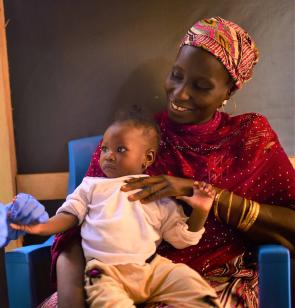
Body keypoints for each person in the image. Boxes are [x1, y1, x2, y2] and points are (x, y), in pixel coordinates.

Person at [43, 17, 295, 308]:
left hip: (212, 280)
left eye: (201, 86)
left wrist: (196, 192)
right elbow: (74, 231)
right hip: (112, 278)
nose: (180, 93)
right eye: (176, 76)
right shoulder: (134, 138)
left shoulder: (248, 138)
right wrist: (71, 300)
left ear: (229, 92)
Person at [12, 118, 222, 307]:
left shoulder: (157, 191)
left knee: (193, 285)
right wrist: (41, 226)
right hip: (103, 271)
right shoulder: (91, 187)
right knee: (106, 300)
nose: (108, 156)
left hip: (150, 268)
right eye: (104, 149)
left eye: (120, 150)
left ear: (147, 158)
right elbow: (69, 216)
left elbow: (181, 238)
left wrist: (200, 211)